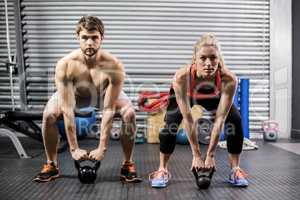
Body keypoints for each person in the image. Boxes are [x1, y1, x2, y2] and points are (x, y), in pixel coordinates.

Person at [33, 16, 141, 183]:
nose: (89, 43)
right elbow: (67, 109)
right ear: (78, 37)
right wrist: (74, 149)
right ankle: (51, 164)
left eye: (94, 37)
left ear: (101, 38)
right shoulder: (66, 64)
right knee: (48, 116)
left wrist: (102, 148)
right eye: (85, 37)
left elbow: (109, 109)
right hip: (75, 96)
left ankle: (128, 164)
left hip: (103, 94)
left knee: (129, 114)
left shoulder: (114, 66)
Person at [149, 33, 249, 188]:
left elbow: (219, 120)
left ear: (219, 58)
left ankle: (235, 169)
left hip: (213, 95)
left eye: (213, 58)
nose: (208, 63)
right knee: (170, 125)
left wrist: (210, 154)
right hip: (187, 94)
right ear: (195, 58)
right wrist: (196, 155)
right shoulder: (182, 77)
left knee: (234, 120)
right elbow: (188, 119)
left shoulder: (228, 79)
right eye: (203, 58)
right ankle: (162, 169)